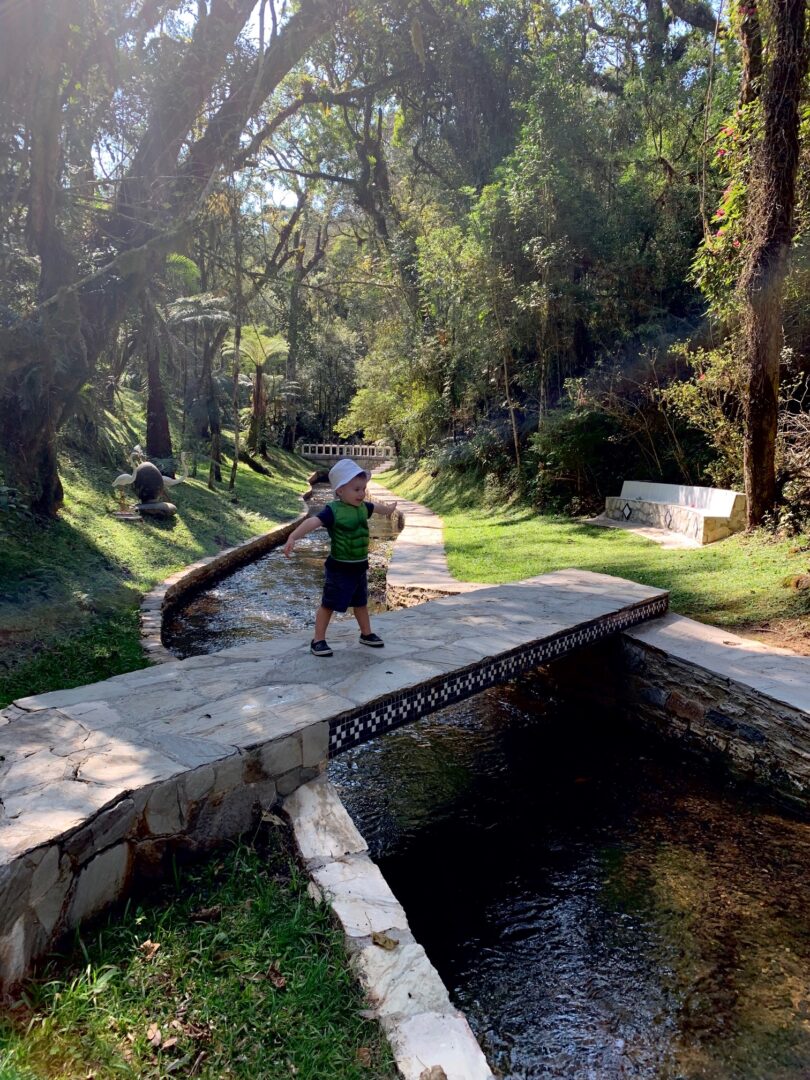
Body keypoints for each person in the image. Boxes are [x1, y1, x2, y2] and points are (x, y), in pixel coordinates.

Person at [283, 458, 398, 656]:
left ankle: (366, 634)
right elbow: (312, 522)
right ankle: (318, 640)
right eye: (356, 489)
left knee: (361, 602)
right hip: (339, 567)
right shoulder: (333, 511)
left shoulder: (363, 507)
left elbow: (376, 508)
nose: (362, 493)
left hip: (359, 566)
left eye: (363, 489)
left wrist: (388, 510)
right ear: (340, 491)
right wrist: (293, 537)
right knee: (329, 604)